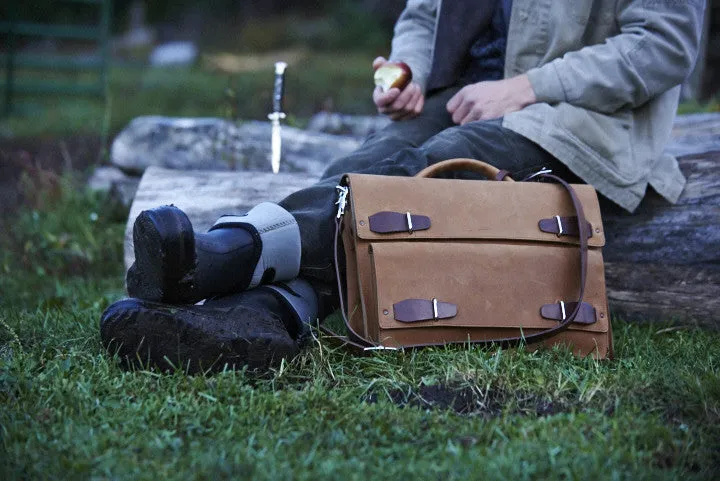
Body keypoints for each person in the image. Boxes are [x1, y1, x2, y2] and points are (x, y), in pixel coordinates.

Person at [101, 0, 705, 372]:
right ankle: (264, 316)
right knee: (372, 161)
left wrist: (528, 86)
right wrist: (409, 66)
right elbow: (424, 13)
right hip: (461, 97)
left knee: (435, 164)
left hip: (574, 117)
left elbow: (664, 45)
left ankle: (231, 256)